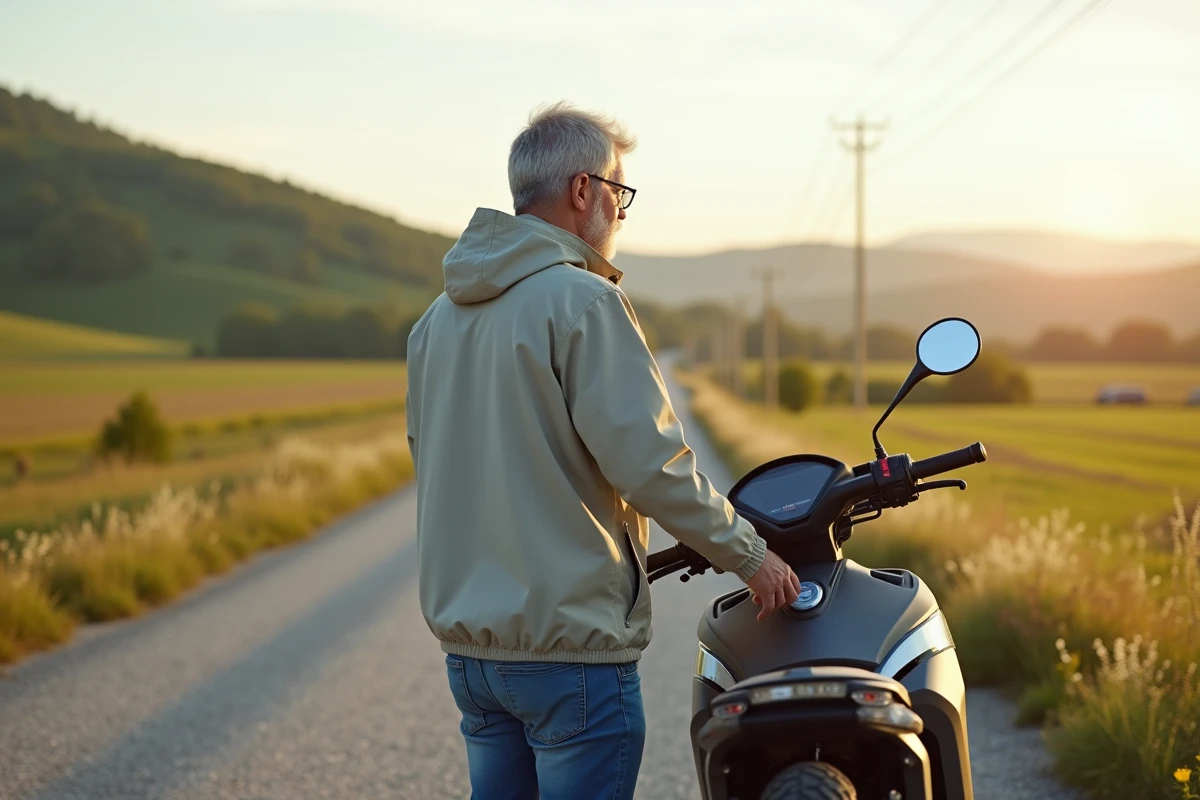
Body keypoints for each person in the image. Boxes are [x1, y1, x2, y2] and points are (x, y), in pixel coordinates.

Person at [405, 102, 800, 800]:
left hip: (471, 655)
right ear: (583, 191)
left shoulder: (436, 322)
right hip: (568, 654)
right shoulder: (583, 301)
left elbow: (432, 460)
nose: (621, 213)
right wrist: (748, 554)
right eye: (620, 192)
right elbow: (650, 463)